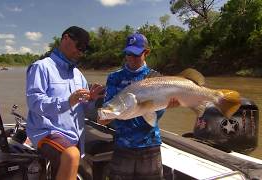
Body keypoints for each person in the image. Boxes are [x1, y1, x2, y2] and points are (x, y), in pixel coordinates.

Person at [26, 26, 104, 180]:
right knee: (71, 155)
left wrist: (92, 101)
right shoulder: (41, 67)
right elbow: (34, 102)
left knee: (72, 161)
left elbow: (84, 108)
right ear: (66, 38)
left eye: (84, 50)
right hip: (47, 131)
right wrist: (68, 101)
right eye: (79, 46)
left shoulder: (78, 75)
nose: (80, 52)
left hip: (74, 137)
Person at [99, 33, 179, 180]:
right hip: (123, 144)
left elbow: (155, 114)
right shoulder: (114, 77)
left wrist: (167, 106)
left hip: (150, 144)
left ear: (146, 52)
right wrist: (105, 117)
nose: (131, 58)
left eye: (136, 54)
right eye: (128, 54)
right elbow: (106, 110)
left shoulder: (156, 78)